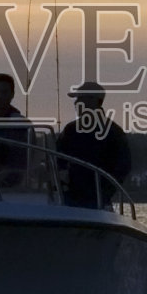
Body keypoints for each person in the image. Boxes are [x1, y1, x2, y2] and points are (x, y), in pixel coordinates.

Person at [56, 81, 132, 209]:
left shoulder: (113, 132)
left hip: (97, 200)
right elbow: (58, 157)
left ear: (93, 100)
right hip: (69, 196)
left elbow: (123, 166)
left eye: (80, 98)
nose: (76, 103)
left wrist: (104, 192)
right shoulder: (71, 129)